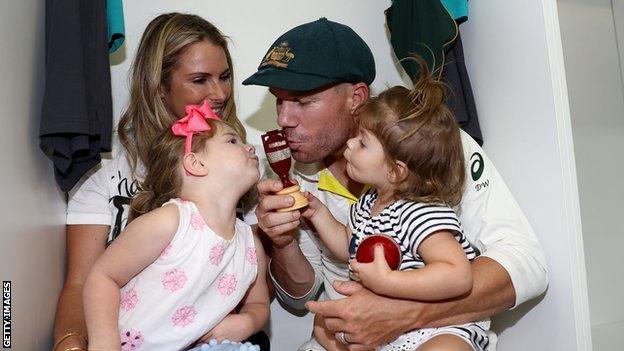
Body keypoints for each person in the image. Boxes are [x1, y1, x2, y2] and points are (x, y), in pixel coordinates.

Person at [242, 18, 548, 350]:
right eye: (279, 100)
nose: (284, 119)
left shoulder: (432, 149)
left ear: (355, 97)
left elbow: (526, 263)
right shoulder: (290, 174)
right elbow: (301, 297)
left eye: (302, 101)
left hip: (435, 334)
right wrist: (282, 242)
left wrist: (403, 313)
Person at [53, 13, 268, 351]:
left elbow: (264, 291)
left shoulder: (245, 169)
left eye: (224, 77)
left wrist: (281, 242)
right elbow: (84, 282)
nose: (219, 93)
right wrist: (72, 345)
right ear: (160, 86)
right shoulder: (102, 176)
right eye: (199, 79)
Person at [300, 58, 489, 350]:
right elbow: (348, 246)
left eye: (362, 142)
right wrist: (318, 214)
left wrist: (388, 282)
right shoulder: (367, 204)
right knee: (324, 327)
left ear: (395, 171)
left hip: (439, 326)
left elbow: (458, 275)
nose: (350, 145)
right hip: (388, 328)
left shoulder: (422, 213)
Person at [83, 112, 269, 350]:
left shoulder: (251, 246)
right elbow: (103, 276)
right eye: (233, 141)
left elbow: (259, 303)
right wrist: (104, 344)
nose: (250, 148)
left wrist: (248, 321)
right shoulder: (170, 221)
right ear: (196, 163)